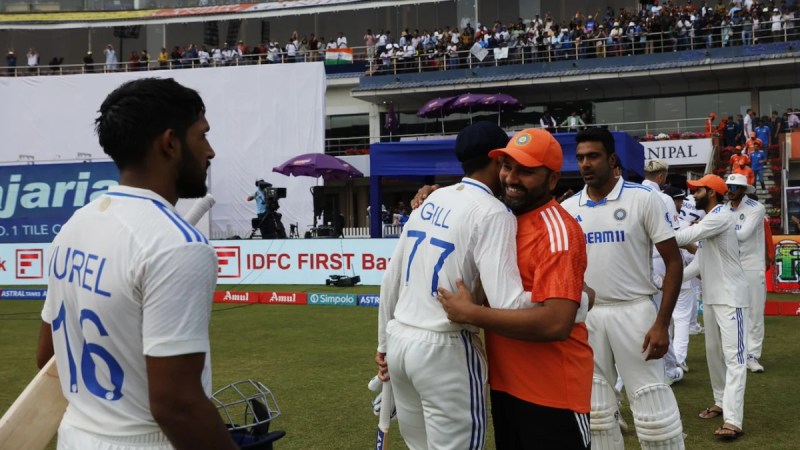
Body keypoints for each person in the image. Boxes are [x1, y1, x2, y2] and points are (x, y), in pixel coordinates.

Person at [35, 78, 238, 450]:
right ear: (170, 143)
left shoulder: (75, 225)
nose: (209, 151)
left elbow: (47, 357)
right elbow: (177, 405)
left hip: (75, 436)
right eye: (202, 135)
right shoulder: (179, 245)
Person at [376, 122, 531, 450]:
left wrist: (384, 345)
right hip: (445, 348)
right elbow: (508, 302)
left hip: (401, 340)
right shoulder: (494, 213)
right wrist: (571, 302)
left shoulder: (430, 200)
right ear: (496, 160)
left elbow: (390, 279)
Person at [437, 128, 593, 449]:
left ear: (552, 179)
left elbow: (556, 323)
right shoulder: (500, 218)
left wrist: (472, 314)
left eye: (526, 171)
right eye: (507, 167)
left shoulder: (557, 230)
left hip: (553, 395)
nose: (511, 178)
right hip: (505, 388)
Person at [560, 127, 685, 449]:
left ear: (612, 159)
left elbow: (674, 262)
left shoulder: (642, 199)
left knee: (653, 409)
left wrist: (661, 324)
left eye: (593, 156)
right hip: (589, 317)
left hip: (635, 311)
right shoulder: (569, 208)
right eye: (580, 158)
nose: (585, 164)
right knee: (598, 411)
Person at [674, 174, 748, 440]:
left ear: (712, 193)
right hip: (713, 298)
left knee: (735, 359)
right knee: (714, 356)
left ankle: (734, 420)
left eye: (698, 190)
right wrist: (667, 283)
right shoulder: (710, 219)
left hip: (731, 298)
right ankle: (720, 401)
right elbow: (698, 264)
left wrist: (654, 233)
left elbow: (685, 236)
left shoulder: (720, 216)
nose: (693, 195)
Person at [642, 159, 683, 384]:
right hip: (660, 261)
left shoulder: (633, 193)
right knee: (662, 317)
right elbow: (674, 236)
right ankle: (669, 369)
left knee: (642, 314)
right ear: (661, 177)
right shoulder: (664, 198)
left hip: (638, 262)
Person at [725, 174, 767, 373]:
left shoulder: (756, 208)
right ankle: (738, 354)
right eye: (729, 186)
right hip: (731, 266)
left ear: (743, 189)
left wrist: (716, 229)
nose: (730, 190)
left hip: (752, 266)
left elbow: (743, 234)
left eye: (734, 187)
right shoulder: (724, 209)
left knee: (755, 313)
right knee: (733, 313)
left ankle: (752, 355)